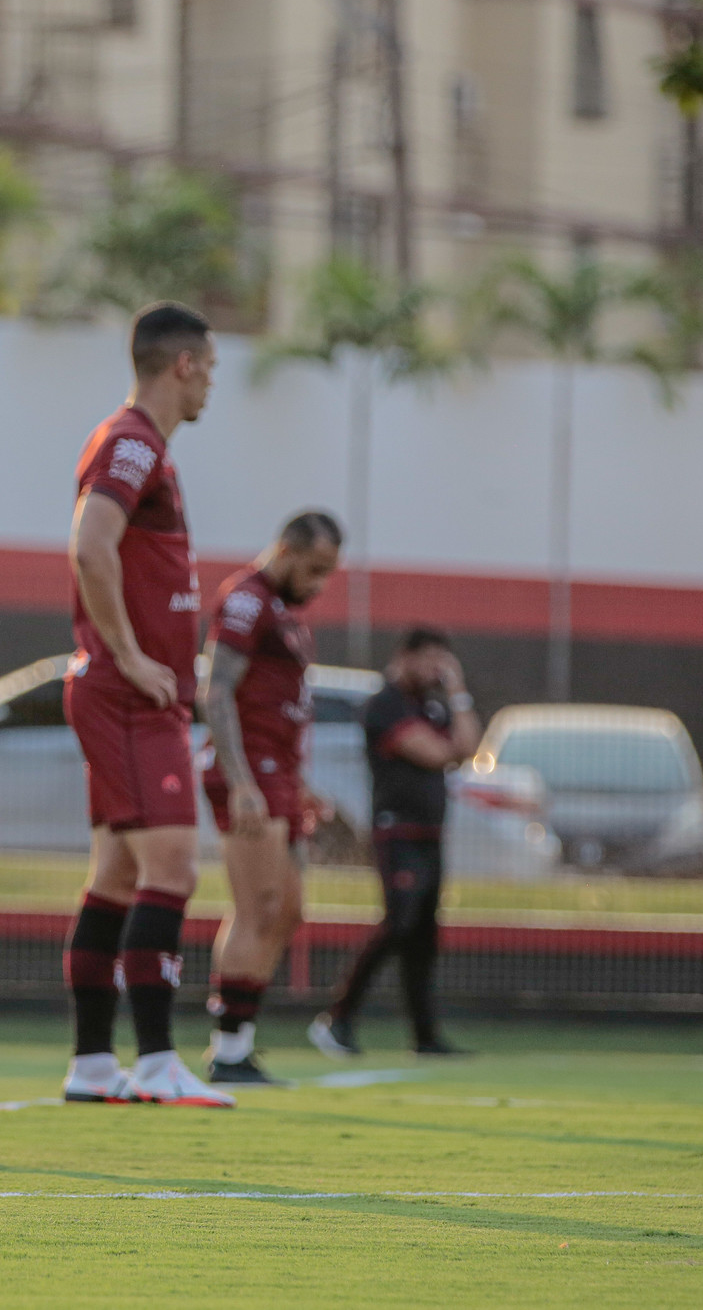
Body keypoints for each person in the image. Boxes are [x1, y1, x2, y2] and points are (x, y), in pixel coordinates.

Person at [60, 303, 235, 1109]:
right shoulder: (132, 441)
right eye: (210, 369)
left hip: (129, 691)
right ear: (185, 365)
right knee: (173, 866)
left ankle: (95, 1063)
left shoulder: (141, 444)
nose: (211, 388)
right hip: (129, 695)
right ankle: (160, 1057)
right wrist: (131, 655)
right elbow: (90, 544)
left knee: (119, 874)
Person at [197, 511, 342, 1086]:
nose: (319, 584)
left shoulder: (284, 614)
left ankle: (240, 1041)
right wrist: (241, 779)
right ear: (285, 549)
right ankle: (228, 1048)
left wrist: (297, 781)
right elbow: (219, 690)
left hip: (277, 773)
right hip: (250, 772)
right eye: (314, 569)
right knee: (257, 906)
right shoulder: (247, 599)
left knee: (287, 911)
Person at [310, 626, 480, 1058]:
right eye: (428, 660)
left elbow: (469, 747)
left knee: (423, 936)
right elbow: (438, 754)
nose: (434, 671)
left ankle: (425, 1036)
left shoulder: (434, 707)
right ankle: (337, 1019)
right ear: (405, 657)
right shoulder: (384, 705)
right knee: (397, 923)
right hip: (396, 831)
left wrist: (459, 693)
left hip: (430, 832)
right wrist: (451, 746)